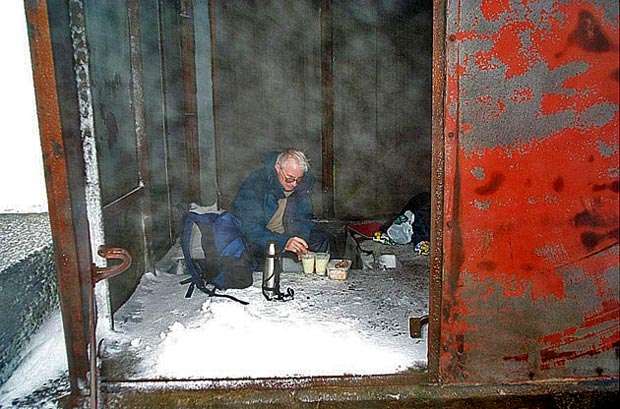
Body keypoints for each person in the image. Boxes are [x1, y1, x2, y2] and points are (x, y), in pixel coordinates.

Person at [231, 149, 335, 267]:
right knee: (260, 254)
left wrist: (300, 241)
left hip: (287, 233)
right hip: (260, 238)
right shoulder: (254, 185)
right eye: (289, 178)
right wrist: (284, 242)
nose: (294, 184)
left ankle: (319, 280)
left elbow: (303, 219)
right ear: (277, 168)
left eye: (298, 179)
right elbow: (249, 228)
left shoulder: (301, 185)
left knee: (323, 239)